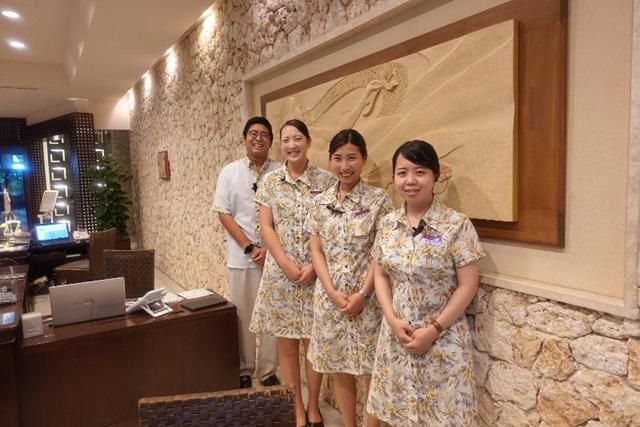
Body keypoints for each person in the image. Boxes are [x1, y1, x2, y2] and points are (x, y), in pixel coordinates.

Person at [366, 140, 485, 426]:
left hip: (443, 338)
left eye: (420, 172)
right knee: (398, 413)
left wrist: (433, 330)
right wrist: (392, 319)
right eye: (402, 172)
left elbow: (467, 286)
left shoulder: (457, 224)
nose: (410, 180)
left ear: (435, 176)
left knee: (444, 416)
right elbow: (380, 274)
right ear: (394, 177)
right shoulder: (388, 224)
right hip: (398, 335)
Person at [250, 119, 334, 427]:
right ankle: (296, 408)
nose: (291, 145)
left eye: (297, 138)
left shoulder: (327, 181)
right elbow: (266, 226)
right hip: (281, 273)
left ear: (308, 142)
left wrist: (314, 265)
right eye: (285, 140)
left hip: (316, 272)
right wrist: (285, 263)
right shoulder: (270, 182)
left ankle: (313, 407)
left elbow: (330, 227)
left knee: (314, 343)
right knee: (286, 345)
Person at [306, 129, 393, 427]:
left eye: (352, 158)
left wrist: (364, 294)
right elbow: (316, 249)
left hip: (368, 301)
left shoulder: (379, 200)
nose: (345, 165)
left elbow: (380, 253)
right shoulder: (319, 203)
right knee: (341, 367)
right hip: (331, 301)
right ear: (331, 160)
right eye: (338, 158)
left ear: (364, 159)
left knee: (372, 370)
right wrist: (331, 291)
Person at [212, 116, 280, 389]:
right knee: (243, 315)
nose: (258, 138)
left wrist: (270, 250)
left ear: (271, 141)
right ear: (244, 139)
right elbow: (224, 213)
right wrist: (250, 247)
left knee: (273, 315)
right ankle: (244, 368)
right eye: (253, 133)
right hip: (241, 257)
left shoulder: (280, 171)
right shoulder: (229, 172)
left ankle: (267, 370)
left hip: (276, 259)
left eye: (264, 134)